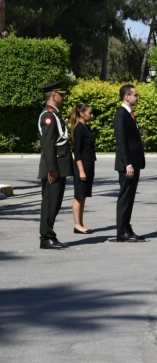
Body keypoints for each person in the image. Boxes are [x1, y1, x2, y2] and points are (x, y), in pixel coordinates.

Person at [38, 81, 74, 250]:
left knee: (55, 202)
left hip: (59, 166)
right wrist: (52, 169)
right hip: (54, 168)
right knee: (50, 203)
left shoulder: (55, 114)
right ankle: (46, 237)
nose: (63, 96)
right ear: (53, 96)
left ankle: (49, 235)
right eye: (61, 94)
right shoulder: (49, 116)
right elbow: (48, 144)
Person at [114, 85, 146, 242]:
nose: (137, 97)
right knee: (125, 197)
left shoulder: (129, 114)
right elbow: (122, 142)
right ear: (126, 96)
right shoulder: (121, 115)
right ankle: (121, 231)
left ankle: (126, 227)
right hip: (127, 164)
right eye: (135, 95)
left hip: (133, 163)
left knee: (130, 197)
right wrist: (127, 164)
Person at [71, 103, 96, 234]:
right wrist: (81, 170)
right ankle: (77, 224)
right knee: (79, 195)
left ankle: (80, 223)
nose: (92, 115)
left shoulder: (85, 127)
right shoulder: (79, 129)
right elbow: (77, 152)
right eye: (90, 113)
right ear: (82, 114)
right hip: (83, 165)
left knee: (83, 195)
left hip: (89, 163)